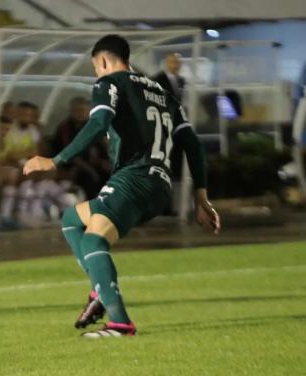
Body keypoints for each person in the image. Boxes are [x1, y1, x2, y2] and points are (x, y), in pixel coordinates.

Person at [23, 35, 220, 338]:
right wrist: (201, 197)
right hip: (160, 185)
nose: (96, 74)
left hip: (134, 177)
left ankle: (120, 322)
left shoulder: (109, 84)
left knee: (93, 242)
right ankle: (101, 290)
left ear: (102, 61)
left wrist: (55, 160)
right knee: (72, 219)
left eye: (95, 67)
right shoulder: (164, 93)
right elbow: (192, 145)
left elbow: (99, 122)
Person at [51, 96, 110, 199]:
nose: (81, 113)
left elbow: (104, 147)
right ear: (72, 111)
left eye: (84, 110)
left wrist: (105, 161)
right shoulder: (66, 128)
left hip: (95, 163)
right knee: (88, 178)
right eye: (78, 110)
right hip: (74, 165)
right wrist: (90, 169)